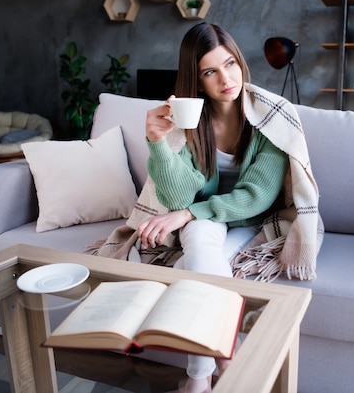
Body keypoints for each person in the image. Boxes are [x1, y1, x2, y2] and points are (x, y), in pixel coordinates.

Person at [137, 22, 322, 393]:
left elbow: (258, 195)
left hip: (254, 220)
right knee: (202, 250)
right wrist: (157, 143)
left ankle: (203, 375)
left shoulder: (270, 116)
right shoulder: (188, 120)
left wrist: (190, 214)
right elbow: (177, 197)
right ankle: (212, 371)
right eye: (210, 71)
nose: (226, 78)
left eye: (231, 64)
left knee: (195, 263)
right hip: (205, 221)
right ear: (196, 80)